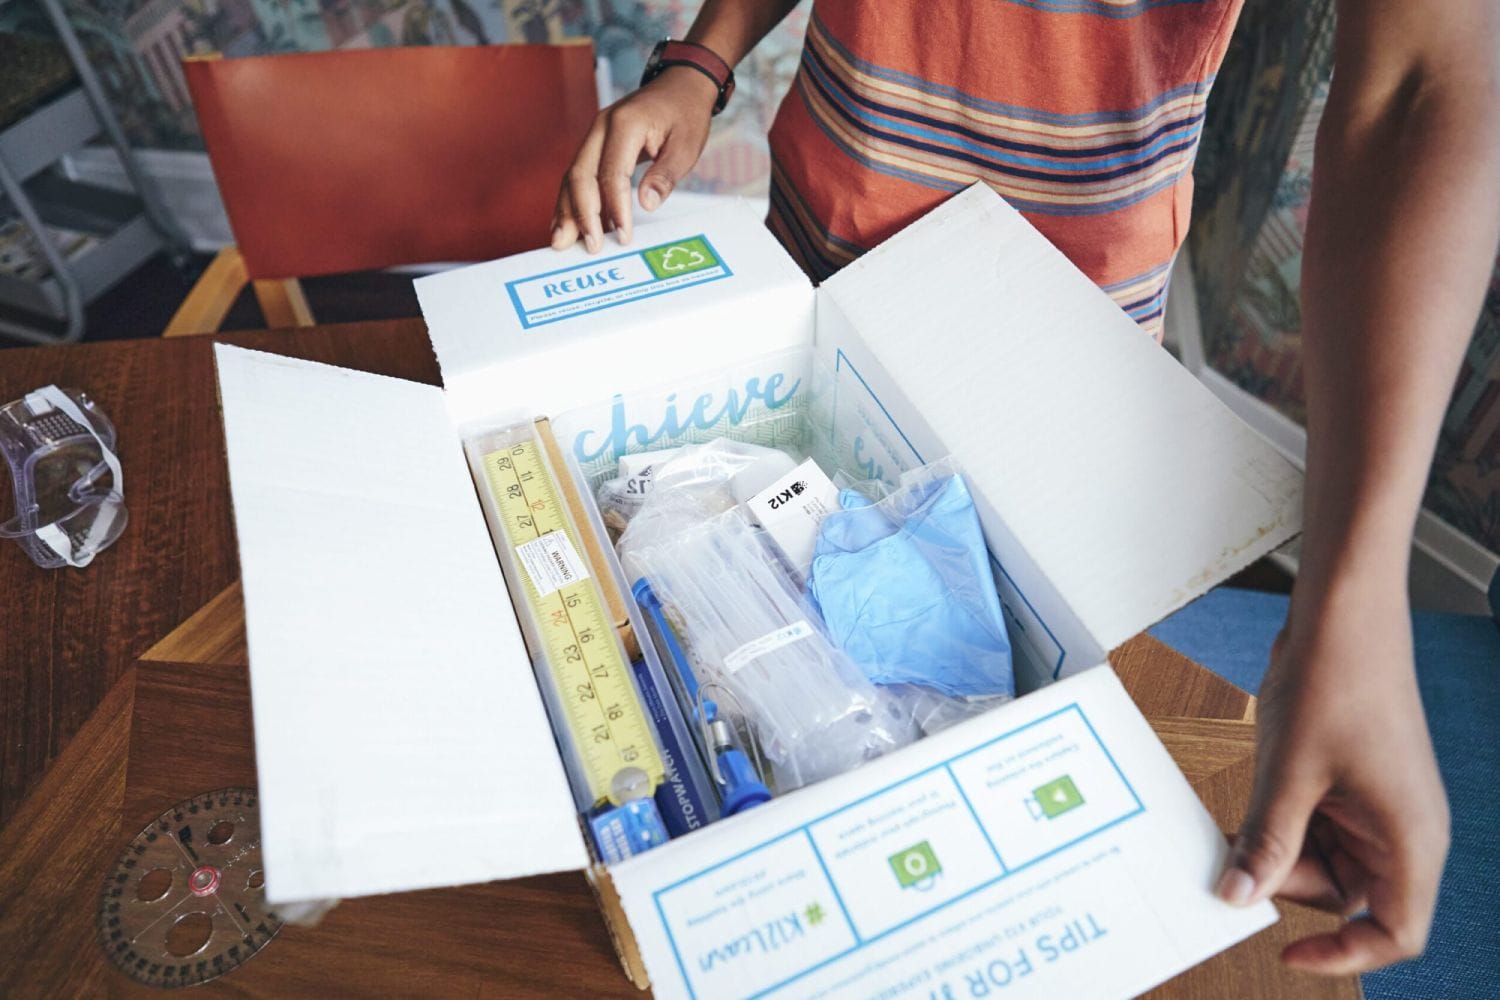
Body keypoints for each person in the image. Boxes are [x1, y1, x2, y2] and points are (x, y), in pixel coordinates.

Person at [551, 0, 1500, 977]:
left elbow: (1420, 82)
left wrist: (1358, 597)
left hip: (1066, 322)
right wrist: (700, 63)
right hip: (827, 233)